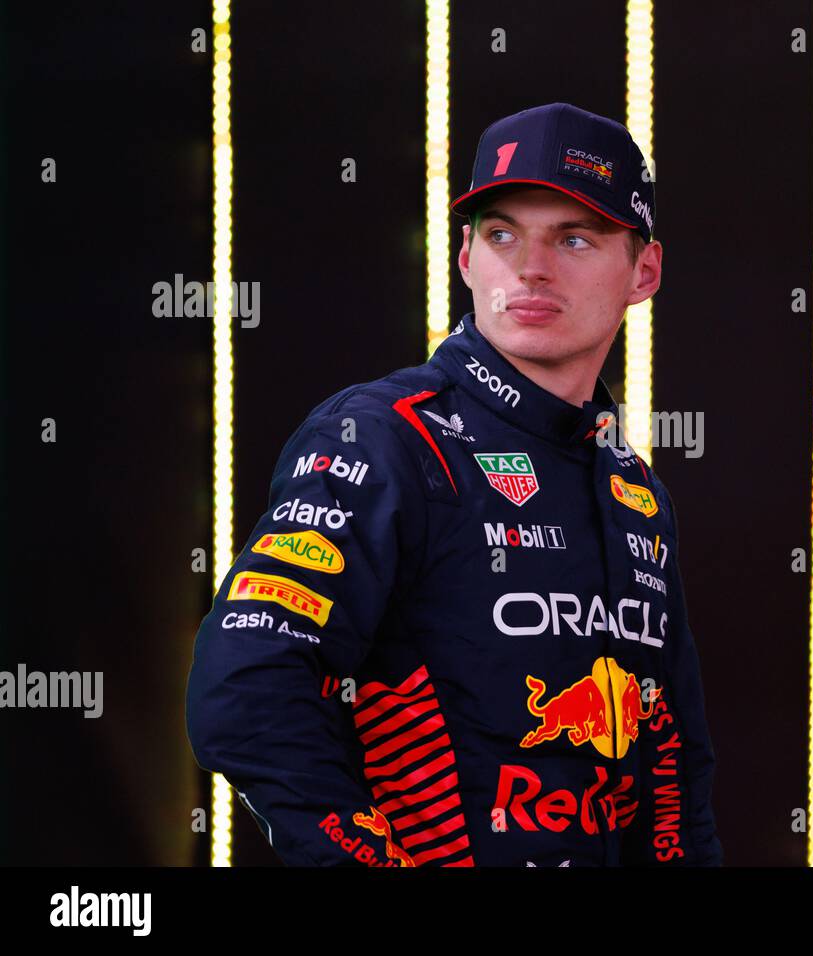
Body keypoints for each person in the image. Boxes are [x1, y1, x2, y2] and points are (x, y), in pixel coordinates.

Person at [185, 102, 723, 867]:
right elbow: (245, 689)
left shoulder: (634, 489)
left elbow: (673, 757)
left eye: (575, 237)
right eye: (502, 234)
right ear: (467, 258)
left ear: (645, 271)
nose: (531, 267)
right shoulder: (381, 436)